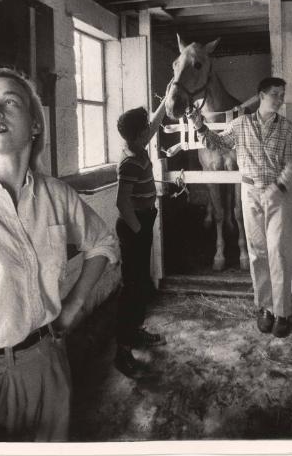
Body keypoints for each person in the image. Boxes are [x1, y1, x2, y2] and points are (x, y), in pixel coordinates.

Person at [0, 67, 119, 441]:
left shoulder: (56, 195)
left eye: (9, 102)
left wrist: (74, 304)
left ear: (35, 125)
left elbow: (103, 243)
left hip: (49, 359)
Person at [188, 77, 292, 338]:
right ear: (261, 95)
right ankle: (265, 309)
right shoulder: (240, 125)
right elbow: (217, 144)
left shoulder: (287, 128)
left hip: (278, 195)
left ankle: (283, 312)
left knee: (279, 252)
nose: (280, 98)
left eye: (282, 94)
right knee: (257, 253)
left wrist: (279, 187)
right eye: (276, 93)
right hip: (250, 194)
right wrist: (199, 125)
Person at [114, 99, 166, 377]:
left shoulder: (138, 149)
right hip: (134, 226)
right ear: (136, 135)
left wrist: (168, 96)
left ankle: (135, 332)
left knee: (139, 284)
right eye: (145, 130)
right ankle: (122, 350)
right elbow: (122, 203)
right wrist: (139, 231)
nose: (150, 132)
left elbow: (155, 125)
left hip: (141, 223)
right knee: (132, 286)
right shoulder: (130, 161)